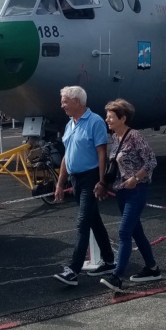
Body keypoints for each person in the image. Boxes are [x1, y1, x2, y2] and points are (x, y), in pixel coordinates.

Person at [53, 86, 115, 285]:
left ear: (77, 101)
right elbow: (66, 156)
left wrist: (102, 181)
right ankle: (109, 260)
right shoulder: (70, 124)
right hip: (75, 179)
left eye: (64, 100)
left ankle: (73, 269)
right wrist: (59, 184)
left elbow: (101, 153)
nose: (62, 104)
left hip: (90, 178)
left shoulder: (95, 121)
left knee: (82, 223)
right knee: (93, 220)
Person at [98, 99, 161, 292]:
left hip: (137, 190)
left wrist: (136, 178)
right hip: (122, 192)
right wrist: (102, 184)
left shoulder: (135, 136)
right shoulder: (114, 138)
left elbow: (151, 161)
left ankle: (117, 276)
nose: (107, 120)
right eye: (107, 116)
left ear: (122, 118)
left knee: (124, 232)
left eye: (111, 116)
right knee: (136, 232)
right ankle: (152, 268)